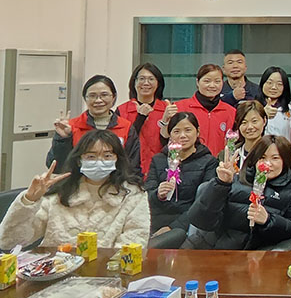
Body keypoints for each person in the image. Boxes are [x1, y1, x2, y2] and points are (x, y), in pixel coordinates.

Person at [1, 130, 150, 250]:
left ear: (117, 159)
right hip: (54, 271)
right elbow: (9, 241)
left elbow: (134, 241)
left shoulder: (133, 194)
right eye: (91, 156)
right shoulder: (59, 192)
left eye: (107, 156)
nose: (99, 162)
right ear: (79, 160)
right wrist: (29, 201)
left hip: (105, 274)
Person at [184, 135, 291, 250]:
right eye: (262, 157)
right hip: (213, 246)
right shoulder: (238, 180)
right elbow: (201, 220)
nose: (267, 164)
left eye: (275, 158)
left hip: (255, 253)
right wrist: (221, 184)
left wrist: (268, 220)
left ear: (285, 161)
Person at [144, 112, 218, 249]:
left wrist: (173, 227)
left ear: (197, 132)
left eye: (188, 130)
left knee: (174, 237)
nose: (182, 136)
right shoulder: (158, 160)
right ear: (169, 134)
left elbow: (203, 204)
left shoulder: (209, 162)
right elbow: (147, 195)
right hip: (156, 221)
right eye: (176, 131)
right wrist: (158, 194)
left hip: (189, 225)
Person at [47, 75, 139, 173]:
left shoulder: (126, 127)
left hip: (116, 181)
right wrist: (63, 139)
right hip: (79, 181)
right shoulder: (71, 127)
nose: (98, 100)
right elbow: (56, 166)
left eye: (104, 95)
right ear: (85, 98)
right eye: (92, 96)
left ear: (113, 97)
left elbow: (132, 165)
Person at [161, 64, 236, 156]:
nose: (212, 85)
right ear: (197, 82)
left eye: (217, 81)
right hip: (186, 161)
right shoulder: (180, 107)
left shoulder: (230, 111)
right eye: (207, 81)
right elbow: (165, 137)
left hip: (218, 163)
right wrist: (165, 119)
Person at [117, 63, 168, 177]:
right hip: (130, 172)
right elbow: (122, 144)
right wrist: (140, 118)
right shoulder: (122, 110)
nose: (146, 83)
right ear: (134, 82)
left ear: (158, 83)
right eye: (141, 79)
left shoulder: (166, 109)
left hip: (160, 171)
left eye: (151, 79)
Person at [258, 66, 291, 142]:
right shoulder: (253, 108)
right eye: (269, 83)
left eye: (279, 84)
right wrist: (262, 114)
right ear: (262, 83)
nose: (274, 87)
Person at [228, 101, 268, 171]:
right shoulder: (230, 153)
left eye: (254, 121)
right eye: (244, 122)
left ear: (264, 121)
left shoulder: (272, 152)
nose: (249, 127)